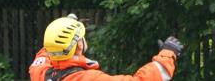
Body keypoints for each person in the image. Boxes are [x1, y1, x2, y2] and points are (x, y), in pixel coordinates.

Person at [29, 14, 182, 81]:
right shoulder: (88, 79)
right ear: (79, 46)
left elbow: (47, 51)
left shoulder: (40, 71)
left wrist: (66, 25)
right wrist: (167, 55)